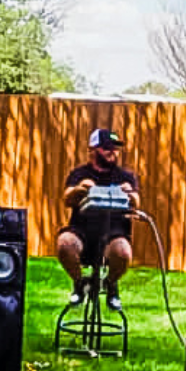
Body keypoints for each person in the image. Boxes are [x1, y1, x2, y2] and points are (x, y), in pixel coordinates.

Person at [57, 126, 140, 311]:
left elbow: (136, 203)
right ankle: (80, 284)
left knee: (123, 252)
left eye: (115, 148)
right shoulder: (80, 174)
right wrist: (80, 189)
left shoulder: (125, 176)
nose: (113, 152)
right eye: (107, 148)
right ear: (93, 149)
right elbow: (67, 198)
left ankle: (110, 285)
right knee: (64, 244)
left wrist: (130, 194)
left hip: (114, 233)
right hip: (82, 232)